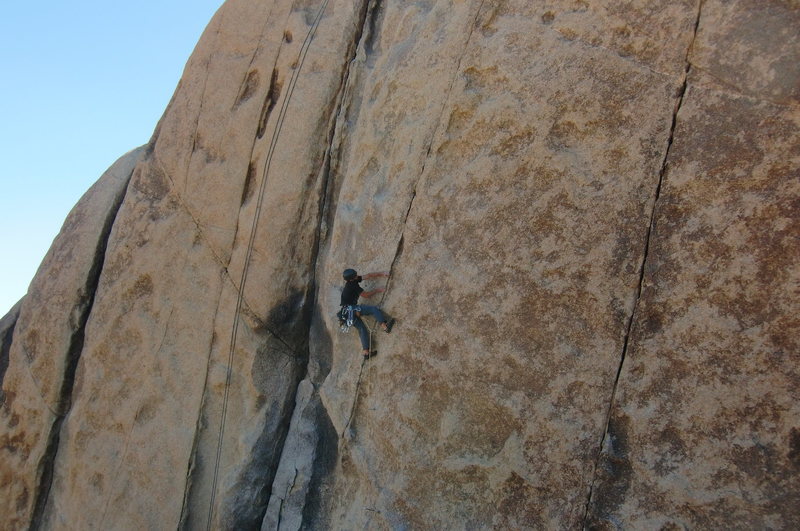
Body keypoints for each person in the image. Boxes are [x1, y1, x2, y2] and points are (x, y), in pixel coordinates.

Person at [339, 268, 394, 358]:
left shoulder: (353, 280)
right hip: (350, 309)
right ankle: (385, 326)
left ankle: (366, 353)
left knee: (362, 330)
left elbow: (368, 275)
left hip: (345, 313)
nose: (357, 276)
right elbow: (366, 295)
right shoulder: (352, 286)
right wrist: (378, 290)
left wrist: (382, 273)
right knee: (373, 309)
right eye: (355, 276)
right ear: (351, 279)